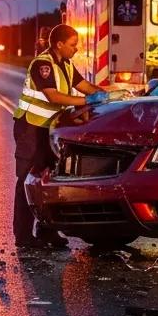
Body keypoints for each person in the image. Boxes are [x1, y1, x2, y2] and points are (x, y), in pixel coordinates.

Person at [12, 23, 106, 250]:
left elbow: (84, 86)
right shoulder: (42, 64)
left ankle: (47, 232)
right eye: (73, 45)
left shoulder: (66, 64)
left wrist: (107, 95)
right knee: (27, 181)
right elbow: (53, 96)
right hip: (31, 128)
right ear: (59, 44)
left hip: (51, 130)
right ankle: (23, 236)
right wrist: (86, 101)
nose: (76, 49)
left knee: (50, 181)